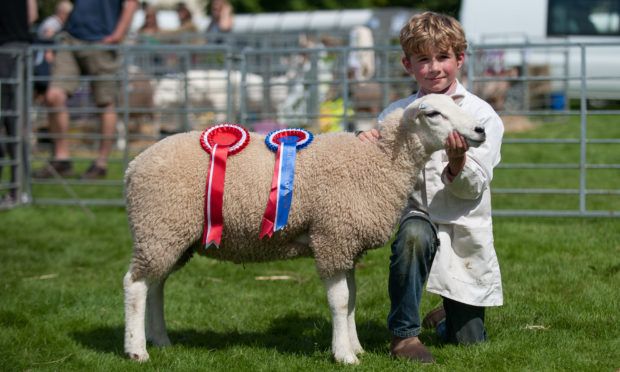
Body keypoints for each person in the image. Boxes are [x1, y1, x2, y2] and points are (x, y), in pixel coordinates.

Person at [356, 11, 504, 363]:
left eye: (443, 58)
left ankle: (446, 317)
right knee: (413, 236)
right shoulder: (398, 113)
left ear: (459, 59)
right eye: (424, 59)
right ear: (408, 65)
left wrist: (457, 163)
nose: (434, 68)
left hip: (461, 222)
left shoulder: (481, 117)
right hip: (419, 213)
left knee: (468, 342)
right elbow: (385, 172)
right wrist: (364, 145)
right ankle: (404, 336)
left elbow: (474, 188)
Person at [34, 0, 139, 180]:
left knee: (105, 102)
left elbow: (131, 3)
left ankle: (101, 163)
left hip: (102, 40)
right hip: (72, 38)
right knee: (53, 95)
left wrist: (118, 35)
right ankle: (61, 159)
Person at [0, 0, 38, 206]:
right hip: (21, 47)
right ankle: (20, 190)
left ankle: (18, 191)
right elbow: (32, 15)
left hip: (6, 49)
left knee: (11, 122)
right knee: (16, 123)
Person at [34, 0, 74, 100]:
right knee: (43, 86)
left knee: (44, 88)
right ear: (61, 12)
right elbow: (48, 35)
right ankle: (37, 112)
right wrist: (49, 51)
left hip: (45, 58)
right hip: (43, 59)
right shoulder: (53, 22)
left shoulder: (56, 22)